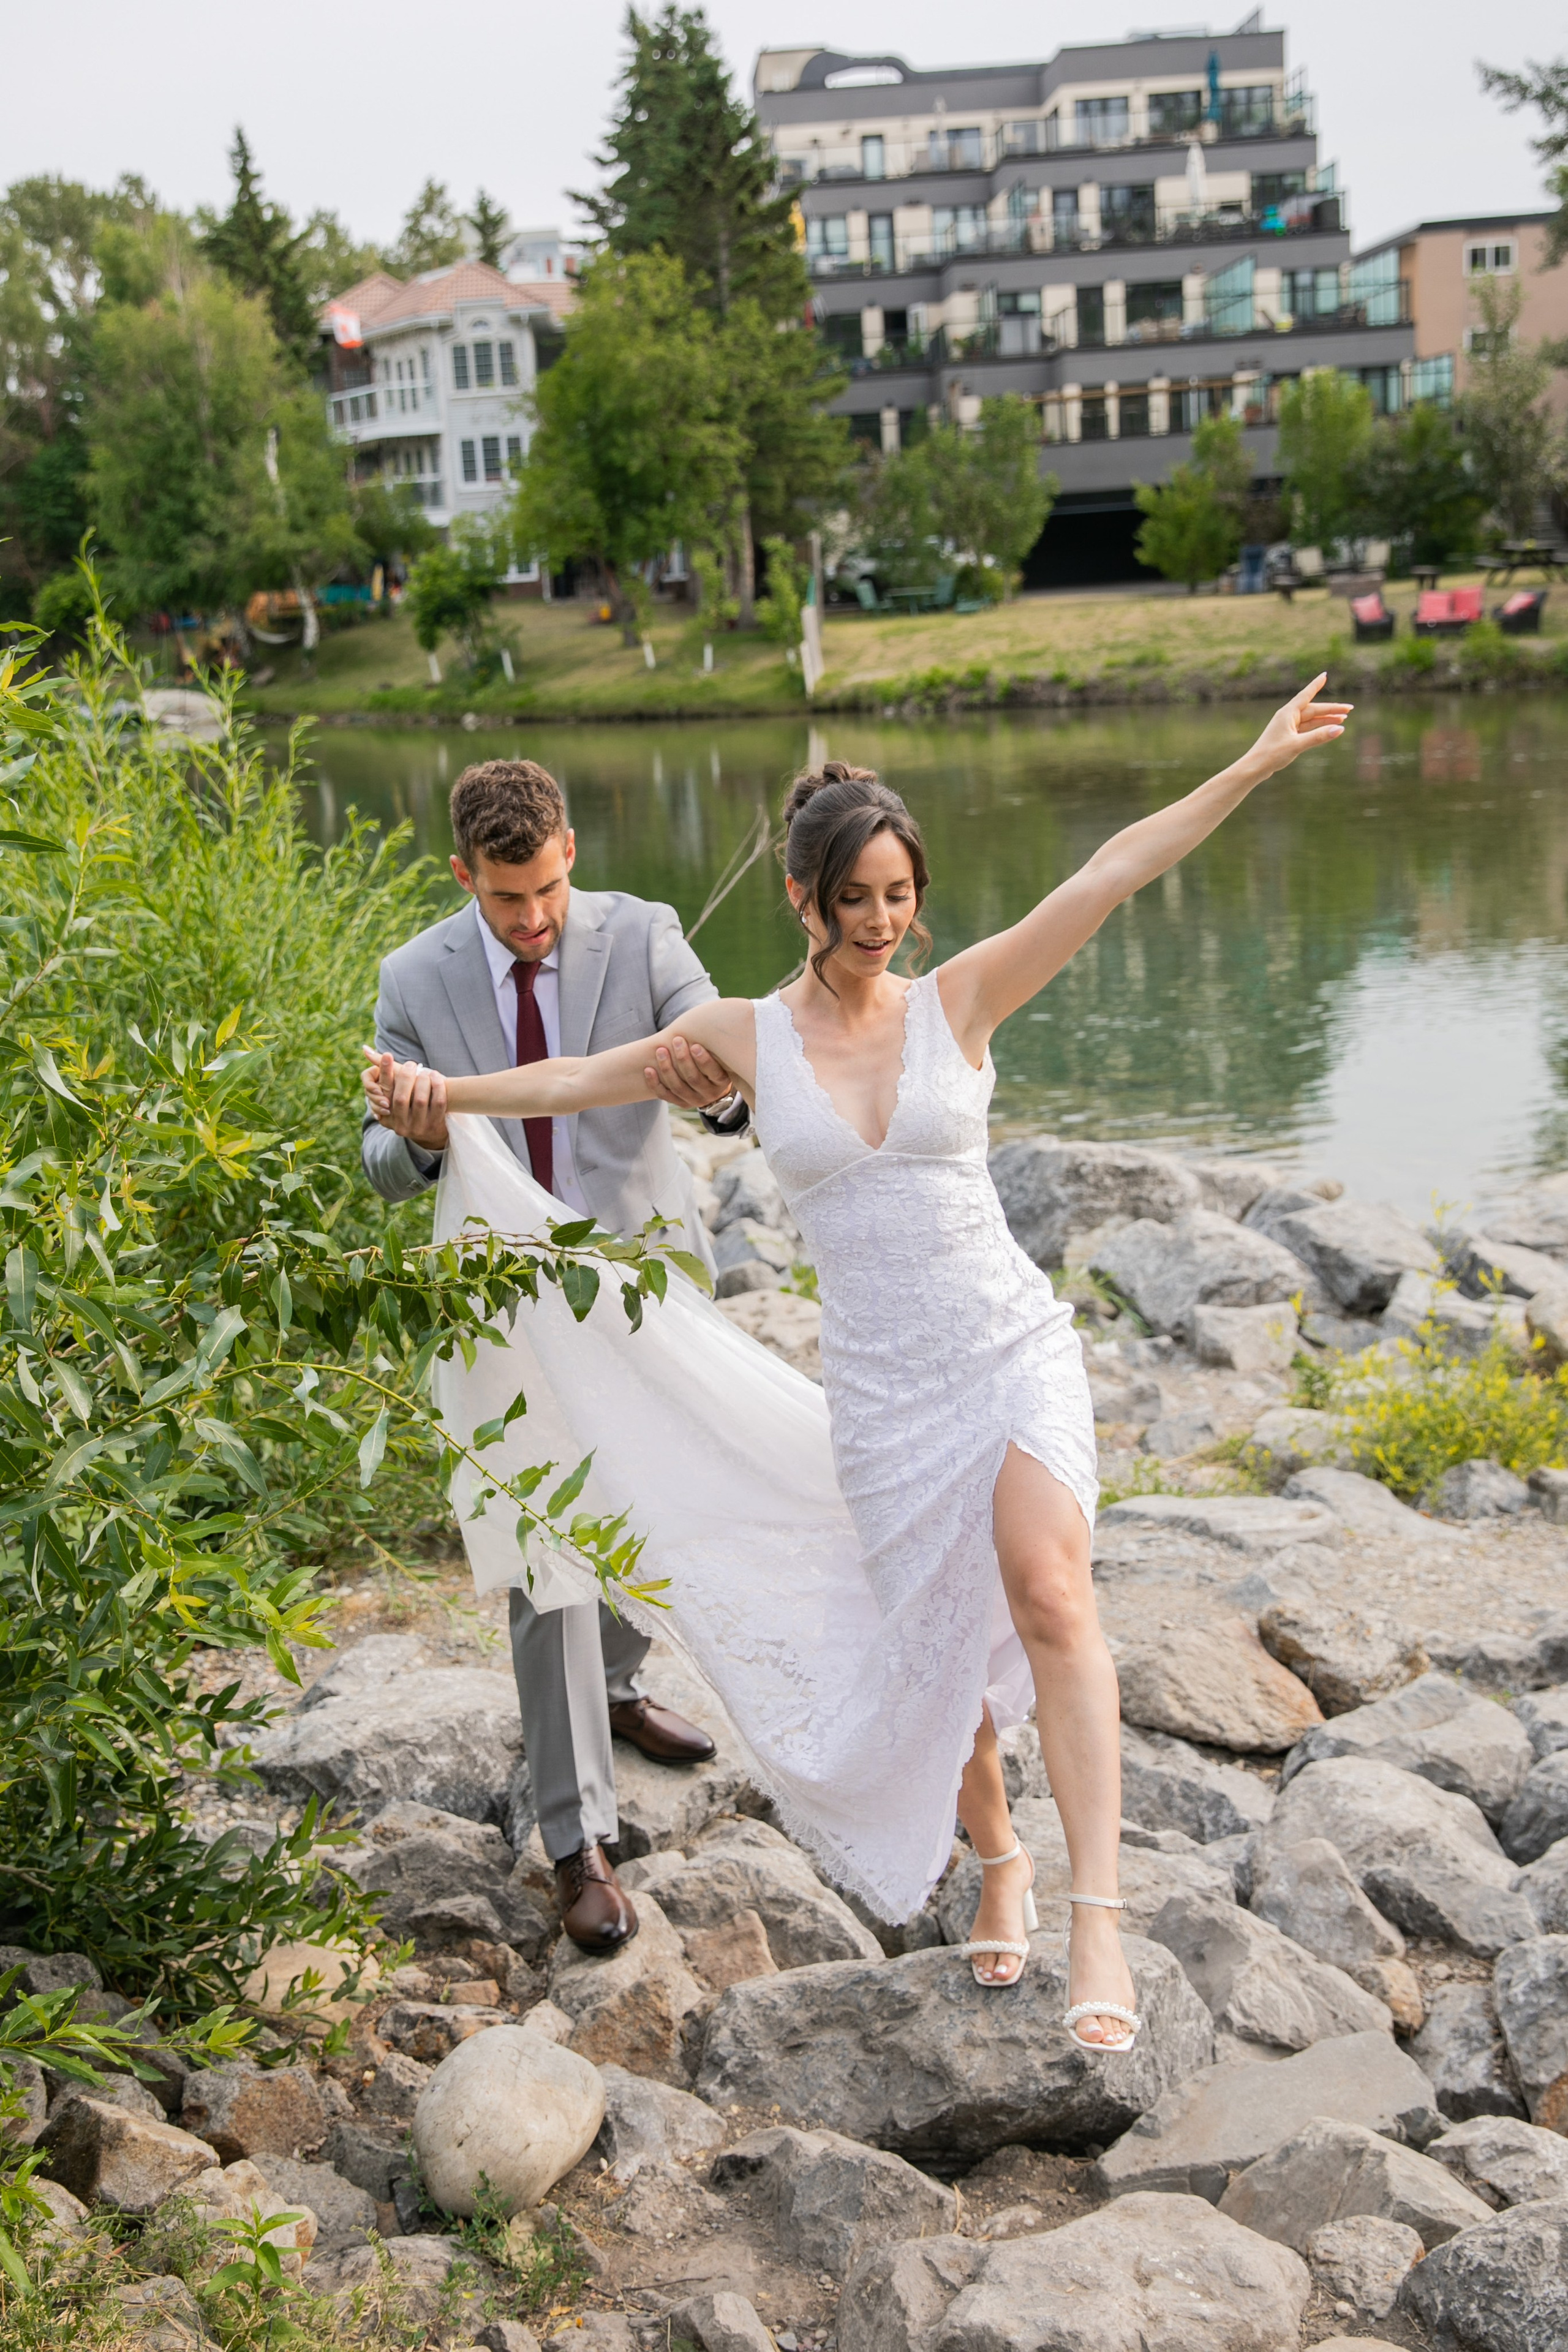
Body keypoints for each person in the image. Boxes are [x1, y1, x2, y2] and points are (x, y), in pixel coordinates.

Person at [366, 680, 1351, 2049]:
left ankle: (1096, 1922)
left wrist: (1246, 764)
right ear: (802, 896)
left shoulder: (961, 996)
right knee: (937, 1655)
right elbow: (574, 1080)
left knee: (1052, 1596)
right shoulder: (741, 1041)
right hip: (885, 1398)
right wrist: (435, 1098)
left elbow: (1112, 869)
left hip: (1006, 1349)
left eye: (899, 893)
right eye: (856, 898)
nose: (881, 921)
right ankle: (997, 1860)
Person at [361, 757, 748, 1954]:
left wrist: (718, 1089)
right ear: (462, 877)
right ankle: (574, 1835)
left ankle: (620, 1687)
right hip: (506, 1307)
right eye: (503, 902)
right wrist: (416, 1140)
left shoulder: (646, 937)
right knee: (546, 1551)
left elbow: (733, 1065)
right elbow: (376, 1163)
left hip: (644, 1282)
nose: (531, 923)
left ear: (569, 849)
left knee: (662, 1504)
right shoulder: (410, 980)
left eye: (543, 894)